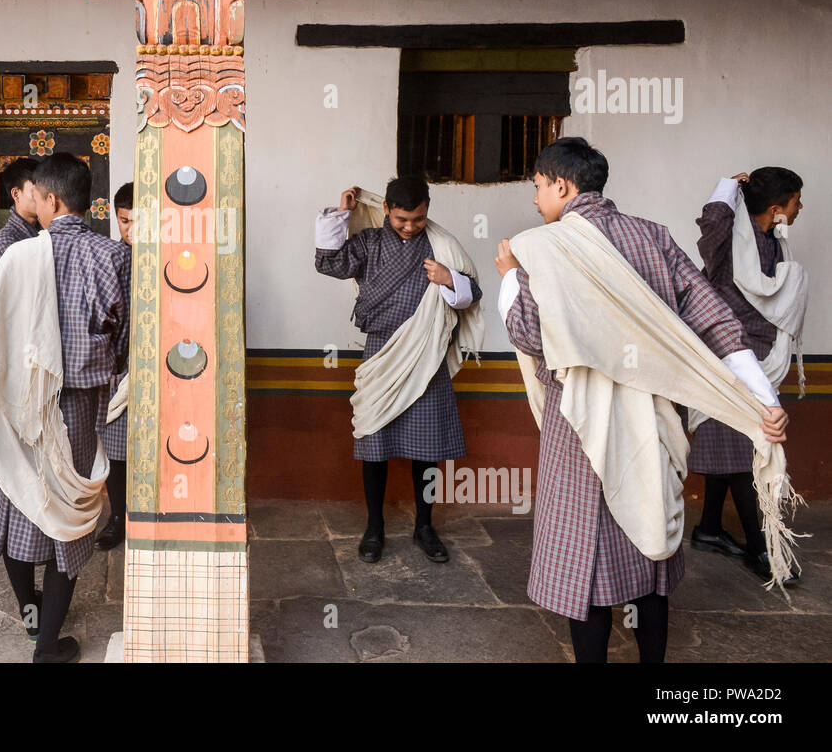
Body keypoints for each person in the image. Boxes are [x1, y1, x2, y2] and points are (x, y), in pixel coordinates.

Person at [495, 137, 790, 663]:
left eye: (538, 187)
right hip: (653, 418)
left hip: (582, 429)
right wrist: (762, 400)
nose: (536, 199)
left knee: (586, 572)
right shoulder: (653, 236)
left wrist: (510, 280)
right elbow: (714, 319)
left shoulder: (539, 248)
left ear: (562, 185)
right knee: (650, 557)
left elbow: (532, 336)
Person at [0, 153, 131, 662]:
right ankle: (47, 645)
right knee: (67, 524)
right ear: (85, 198)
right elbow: (124, 345)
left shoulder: (18, 257)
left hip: (16, 405)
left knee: (17, 503)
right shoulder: (113, 257)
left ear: (51, 200)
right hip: (76, 413)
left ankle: (33, 620)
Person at [315, 175, 483, 565]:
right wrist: (342, 214)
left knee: (428, 451)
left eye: (419, 219)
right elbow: (329, 263)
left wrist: (449, 279)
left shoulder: (442, 246)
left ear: (428, 211)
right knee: (374, 444)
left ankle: (424, 526)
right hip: (382, 351)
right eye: (402, 219)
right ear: (387, 210)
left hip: (426, 354)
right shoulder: (370, 243)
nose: (410, 226)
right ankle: (374, 527)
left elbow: (472, 294)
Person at [689, 168, 806, 583]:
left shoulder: (773, 243)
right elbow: (712, 224)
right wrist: (726, 185)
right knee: (743, 454)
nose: (800, 208)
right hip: (729, 358)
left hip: (760, 356)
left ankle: (708, 530)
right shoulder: (728, 243)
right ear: (777, 209)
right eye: (795, 201)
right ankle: (763, 552)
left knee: (727, 444)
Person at [95, 182, 134, 551]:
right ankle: (118, 518)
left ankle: (153, 514)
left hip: (165, 369)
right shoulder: (111, 258)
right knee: (117, 450)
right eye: (125, 221)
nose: (131, 230)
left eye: (140, 221)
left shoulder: (172, 257)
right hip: (120, 372)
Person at [0, 157, 41, 277]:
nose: (43, 198)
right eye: (36, 192)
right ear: (16, 194)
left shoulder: (45, 231)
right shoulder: (3, 241)